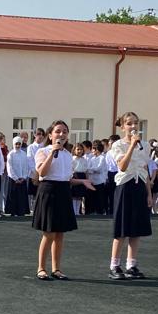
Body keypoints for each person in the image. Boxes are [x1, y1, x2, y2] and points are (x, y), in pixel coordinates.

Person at [31, 120, 95, 280]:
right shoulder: (43, 151)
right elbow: (42, 172)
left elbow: (67, 178)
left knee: (60, 233)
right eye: (58, 131)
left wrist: (82, 181)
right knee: (49, 233)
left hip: (63, 192)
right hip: (48, 191)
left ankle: (56, 269)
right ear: (50, 135)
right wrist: (52, 152)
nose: (61, 134)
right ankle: (41, 268)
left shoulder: (67, 155)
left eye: (65, 131)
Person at [108, 111, 153, 280]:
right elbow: (122, 166)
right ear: (122, 127)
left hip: (139, 186)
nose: (133, 126)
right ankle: (114, 265)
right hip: (124, 187)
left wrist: (149, 193)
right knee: (121, 229)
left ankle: (131, 265)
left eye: (136, 123)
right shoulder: (118, 145)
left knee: (136, 229)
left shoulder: (145, 146)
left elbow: (144, 169)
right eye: (129, 123)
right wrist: (132, 146)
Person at [5, 136, 31, 218]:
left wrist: (23, 177)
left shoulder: (24, 154)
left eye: (19, 144)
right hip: (13, 180)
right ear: (13, 144)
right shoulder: (11, 154)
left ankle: (21, 211)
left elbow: (26, 166)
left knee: (21, 197)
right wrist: (15, 178)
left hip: (22, 179)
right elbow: (9, 168)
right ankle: (12, 211)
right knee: (13, 196)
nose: (18, 146)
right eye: (16, 144)